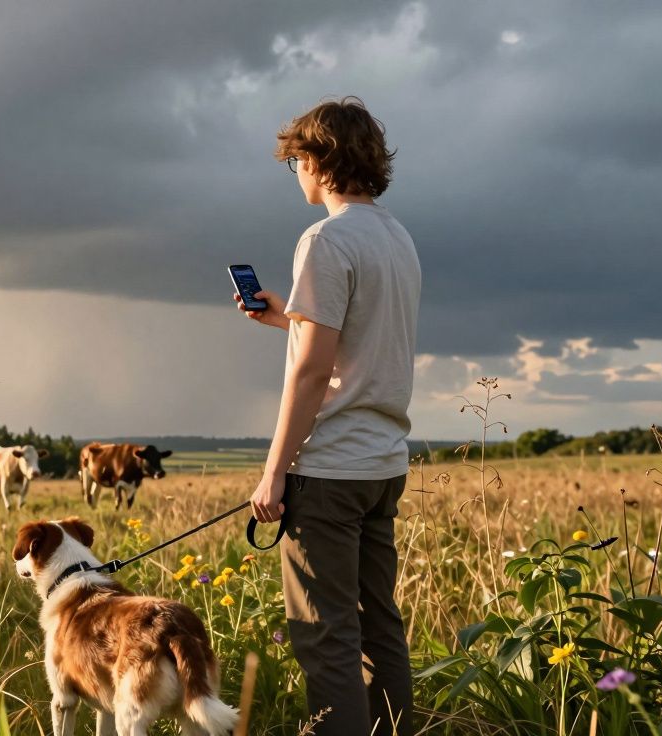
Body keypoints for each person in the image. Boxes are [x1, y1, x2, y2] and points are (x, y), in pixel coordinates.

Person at [238, 97, 420, 736]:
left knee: (327, 636)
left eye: (297, 161)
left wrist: (274, 473)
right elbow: (362, 341)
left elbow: (313, 373)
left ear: (318, 160)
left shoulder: (324, 240)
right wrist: (286, 318)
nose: (296, 173)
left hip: (330, 472)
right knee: (379, 627)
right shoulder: (397, 238)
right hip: (383, 465)